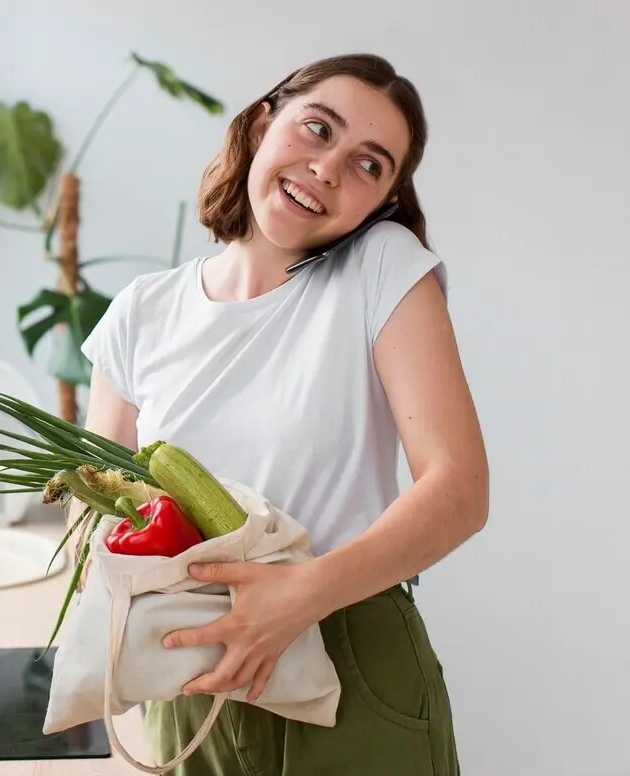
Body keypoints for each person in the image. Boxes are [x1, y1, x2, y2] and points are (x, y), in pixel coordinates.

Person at [77, 53, 489, 775]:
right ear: (264, 121)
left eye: (369, 165)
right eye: (317, 128)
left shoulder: (382, 268)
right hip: (189, 673)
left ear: (383, 204)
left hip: (348, 656)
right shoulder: (141, 313)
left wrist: (300, 596)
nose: (328, 167)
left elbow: (459, 490)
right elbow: (98, 512)